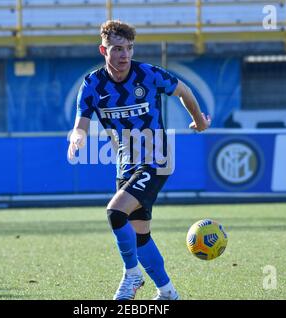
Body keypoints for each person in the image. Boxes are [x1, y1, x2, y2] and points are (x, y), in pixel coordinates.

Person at [67, 20, 211, 300]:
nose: (125, 55)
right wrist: (77, 137)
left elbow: (184, 91)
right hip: (126, 164)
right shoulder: (93, 84)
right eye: (118, 49)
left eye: (129, 48)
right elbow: (81, 121)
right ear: (103, 50)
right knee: (140, 236)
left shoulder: (147, 74)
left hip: (156, 159)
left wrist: (198, 121)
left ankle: (131, 274)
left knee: (115, 212)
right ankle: (168, 292)